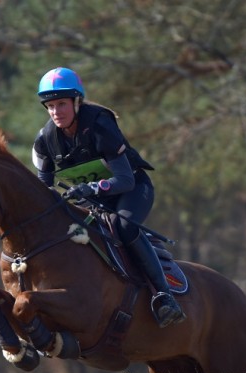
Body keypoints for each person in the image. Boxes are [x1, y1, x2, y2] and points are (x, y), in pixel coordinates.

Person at [31, 67, 186, 328]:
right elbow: (42, 191)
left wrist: (90, 189)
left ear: (76, 102)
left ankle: (164, 296)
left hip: (133, 190)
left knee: (124, 227)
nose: (56, 112)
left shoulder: (100, 125)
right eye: (50, 106)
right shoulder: (45, 140)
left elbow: (125, 180)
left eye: (62, 104)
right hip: (95, 202)